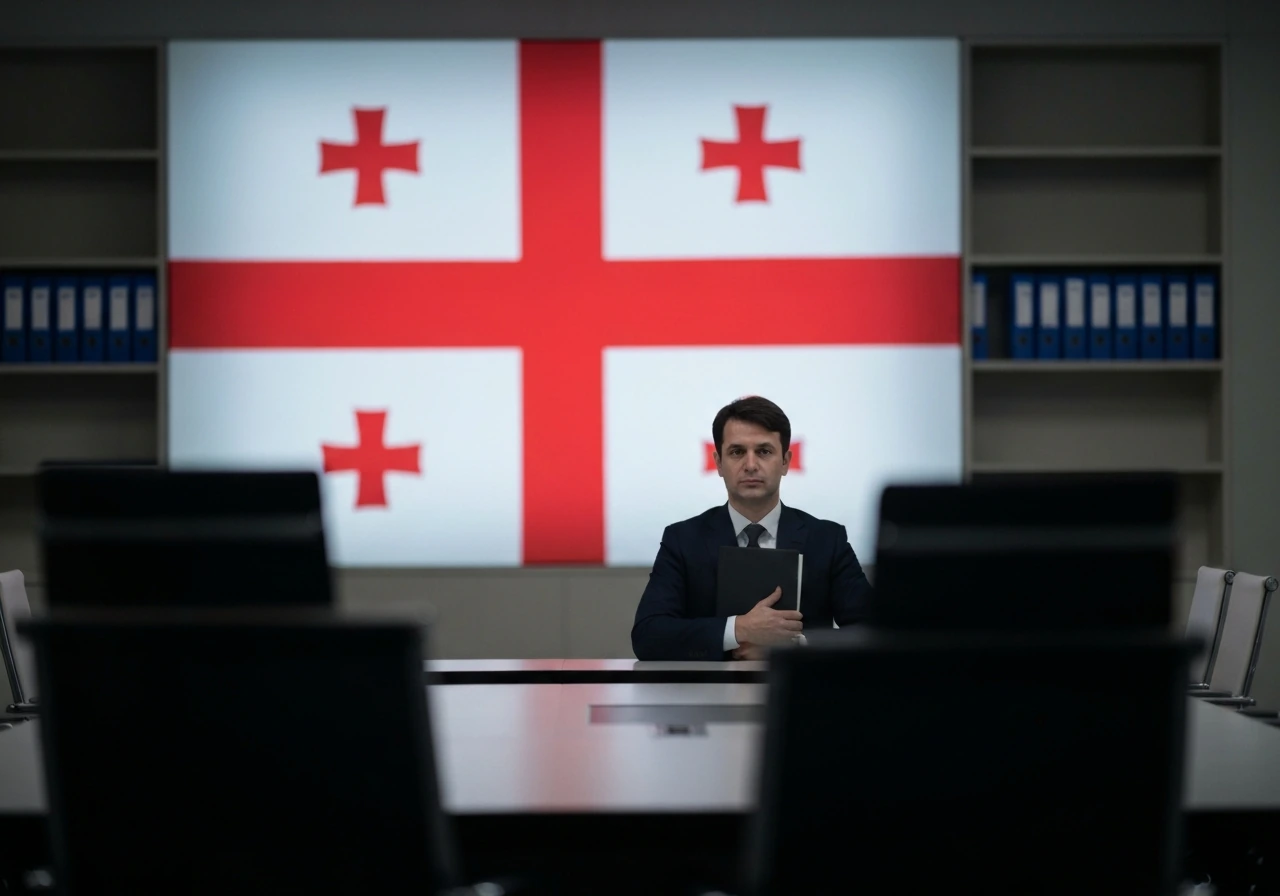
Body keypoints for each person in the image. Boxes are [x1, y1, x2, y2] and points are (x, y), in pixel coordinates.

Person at [630, 396, 874, 661]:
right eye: (737, 452)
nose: (750, 465)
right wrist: (739, 630)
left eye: (764, 451)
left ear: (785, 461)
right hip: (710, 687)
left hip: (799, 686)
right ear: (719, 463)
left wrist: (793, 645)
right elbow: (648, 635)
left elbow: (874, 632)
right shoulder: (683, 540)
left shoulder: (826, 540)